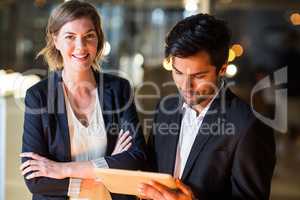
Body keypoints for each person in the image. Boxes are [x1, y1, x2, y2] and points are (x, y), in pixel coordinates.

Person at [139, 14, 276, 200]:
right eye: (178, 72)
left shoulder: (249, 126)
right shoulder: (165, 109)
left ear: (222, 68)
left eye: (198, 76)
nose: (185, 86)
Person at [20, 1, 146, 200]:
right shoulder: (39, 97)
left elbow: (136, 158)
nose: (81, 46)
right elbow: (36, 180)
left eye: (89, 36)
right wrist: (108, 168)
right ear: (56, 40)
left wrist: (61, 170)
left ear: (99, 40)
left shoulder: (119, 89)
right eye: (70, 37)